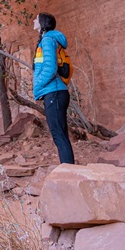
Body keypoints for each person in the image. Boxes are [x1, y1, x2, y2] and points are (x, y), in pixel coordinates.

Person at [33, 12, 75, 164]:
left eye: (36, 19)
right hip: (56, 93)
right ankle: (69, 170)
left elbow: (50, 68)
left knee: (59, 135)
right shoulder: (50, 40)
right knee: (61, 135)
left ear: (42, 23)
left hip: (54, 93)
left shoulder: (48, 40)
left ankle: (68, 172)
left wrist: (37, 85)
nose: (33, 20)